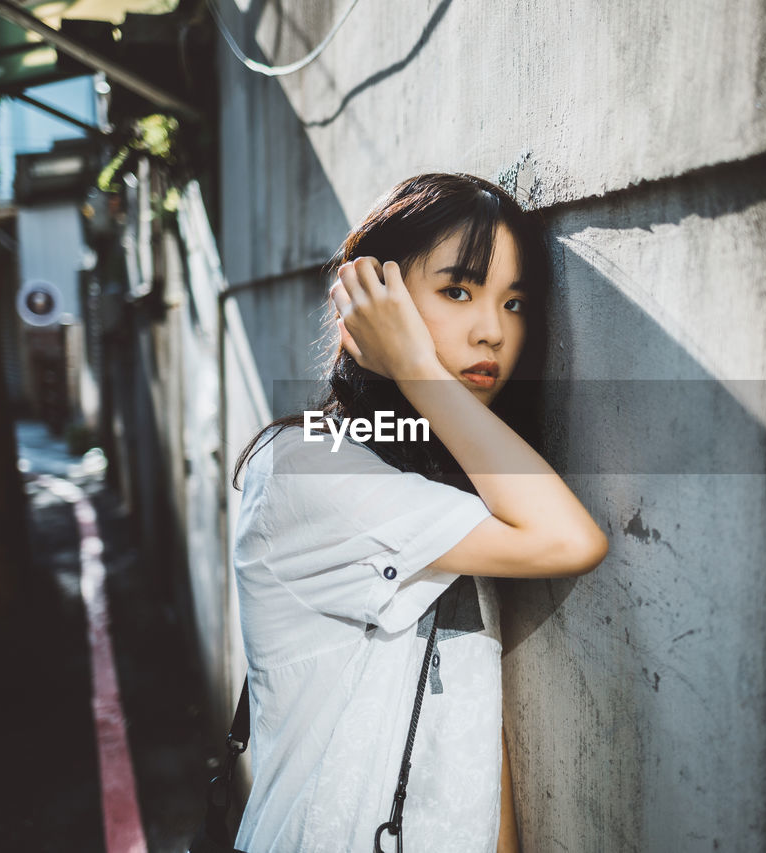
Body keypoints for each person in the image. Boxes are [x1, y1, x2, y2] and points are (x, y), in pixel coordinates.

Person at [229, 173, 609, 852]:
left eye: (516, 302)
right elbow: (568, 538)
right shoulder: (308, 466)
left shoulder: (453, 480)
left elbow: (468, 745)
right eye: (458, 290)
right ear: (375, 300)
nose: (493, 330)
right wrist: (415, 366)